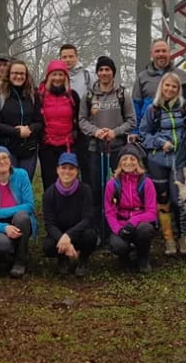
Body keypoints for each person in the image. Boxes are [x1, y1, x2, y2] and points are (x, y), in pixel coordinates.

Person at [78, 56, 136, 238]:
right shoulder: (89, 96)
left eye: (107, 69)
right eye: (101, 70)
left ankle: (119, 227)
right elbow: (82, 120)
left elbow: (131, 120)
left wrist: (115, 132)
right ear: (97, 73)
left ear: (113, 72)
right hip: (95, 149)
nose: (104, 73)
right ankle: (98, 229)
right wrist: (95, 131)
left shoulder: (122, 94)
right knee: (96, 189)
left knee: (119, 188)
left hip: (118, 149)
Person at [139, 71, 186, 255]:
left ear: (178, 89)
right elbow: (143, 134)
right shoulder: (153, 109)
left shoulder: (184, 107)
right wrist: (160, 142)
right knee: (162, 200)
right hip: (158, 161)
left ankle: (184, 236)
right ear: (161, 87)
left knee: (180, 199)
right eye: (167, 85)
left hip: (179, 160)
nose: (170, 89)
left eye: (174, 86)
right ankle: (168, 238)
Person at [0, 146, 37, 278]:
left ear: (10, 161)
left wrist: (0, 213)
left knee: (22, 217)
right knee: (3, 244)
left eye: (5, 157)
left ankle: (20, 260)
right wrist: (4, 227)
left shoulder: (21, 175)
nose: (2, 161)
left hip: (17, 220)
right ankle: (4, 256)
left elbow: (29, 205)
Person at [104, 144, 157, 273]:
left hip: (139, 223)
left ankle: (143, 258)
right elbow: (109, 212)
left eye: (132, 159)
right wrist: (118, 229)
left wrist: (133, 222)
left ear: (138, 162)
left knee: (145, 230)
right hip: (121, 223)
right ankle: (125, 256)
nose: (128, 162)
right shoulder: (112, 184)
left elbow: (152, 212)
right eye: (125, 159)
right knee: (117, 245)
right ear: (120, 163)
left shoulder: (146, 182)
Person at [42, 152, 96, 277]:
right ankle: (62, 258)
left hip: (79, 233)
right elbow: (49, 224)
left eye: (71, 168)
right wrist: (62, 238)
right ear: (57, 169)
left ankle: (83, 260)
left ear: (77, 171)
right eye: (63, 167)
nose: (67, 171)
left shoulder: (85, 190)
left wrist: (68, 235)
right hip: (59, 234)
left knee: (91, 236)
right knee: (48, 246)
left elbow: (87, 219)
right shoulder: (49, 193)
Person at [0, 60, 43, 181]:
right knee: (8, 184)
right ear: (9, 74)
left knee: (24, 183)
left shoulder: (33, 94)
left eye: (22, 73)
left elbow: (39, 121)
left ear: (26, 75)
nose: (18, 76)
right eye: (15, 73)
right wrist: (16, 132)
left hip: (28, 149)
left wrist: (29, 129)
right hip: (6, 149)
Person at [38, 60, 80, 192]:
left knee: (69, 180)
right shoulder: (40, 96)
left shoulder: (72, 96)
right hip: (47, 146)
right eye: (54, 74)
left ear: (66, 77)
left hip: (67, 145)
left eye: (61, 75)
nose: (57, 78)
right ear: (48, 77)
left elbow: (79, 119)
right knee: (49, 182)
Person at [132, 38, 186, 127]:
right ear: (151, 54)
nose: (161, 54)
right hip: (149, 129)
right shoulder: (142, 78)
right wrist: (135, 130)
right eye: (157, 51)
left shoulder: (182, 76)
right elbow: (136, 107)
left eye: (164, 51)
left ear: (169, 53)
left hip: (176, 128)